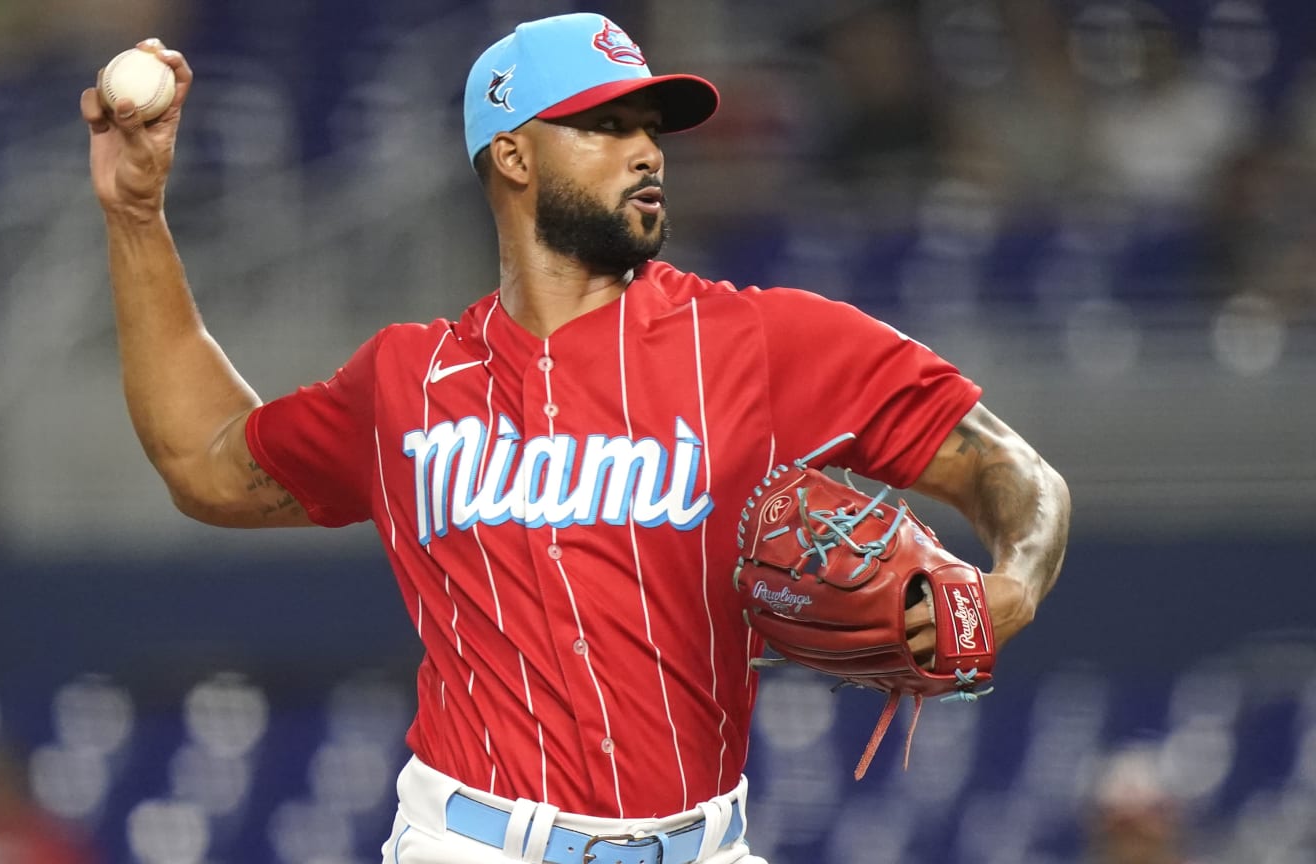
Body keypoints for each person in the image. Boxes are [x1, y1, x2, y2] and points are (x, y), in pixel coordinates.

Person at [80, 12, 1071, 864]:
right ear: (511, 153)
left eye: (652, 127)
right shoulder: (405, 381)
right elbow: (207, 461)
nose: (646, 150)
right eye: (604, 125)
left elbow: (1012, 472)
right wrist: (135, 214)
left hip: (703, 838)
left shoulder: (768, 342)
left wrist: (1013, 583)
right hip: (468, 840)